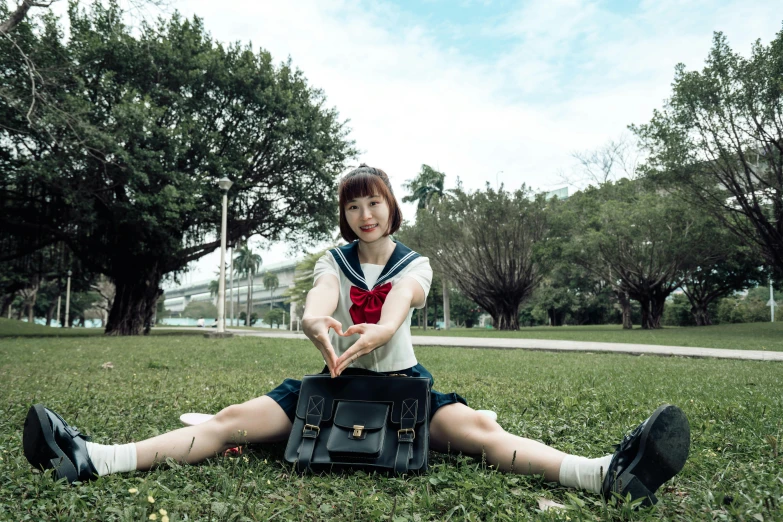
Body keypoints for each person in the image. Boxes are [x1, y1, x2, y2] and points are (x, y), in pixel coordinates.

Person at [22, 164, 690, 507]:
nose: (365, 213)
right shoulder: (330, 262)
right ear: (344, 214)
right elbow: (319, 300)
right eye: (352, 203)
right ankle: (95, 458)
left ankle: (604, 476)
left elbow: (401, 300)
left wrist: (380, 331)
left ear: (391, 206)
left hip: (402, 392)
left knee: (482, 437)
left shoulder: (415, 262)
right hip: (327, 391)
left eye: (374, 201)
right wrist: (318, 322)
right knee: (229, 422)